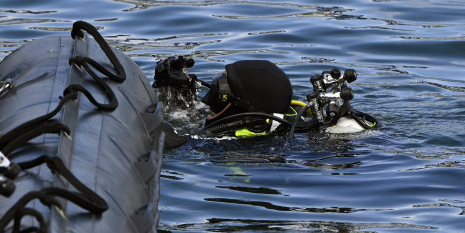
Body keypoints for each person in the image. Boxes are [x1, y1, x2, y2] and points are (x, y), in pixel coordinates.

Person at [153, 56, 379, 143]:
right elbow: (197, 116)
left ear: (246, 104)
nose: (215, 90)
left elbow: (178, 140)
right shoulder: (281, 113)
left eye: (224, 86)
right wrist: (177, 92)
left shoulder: (242, 134)